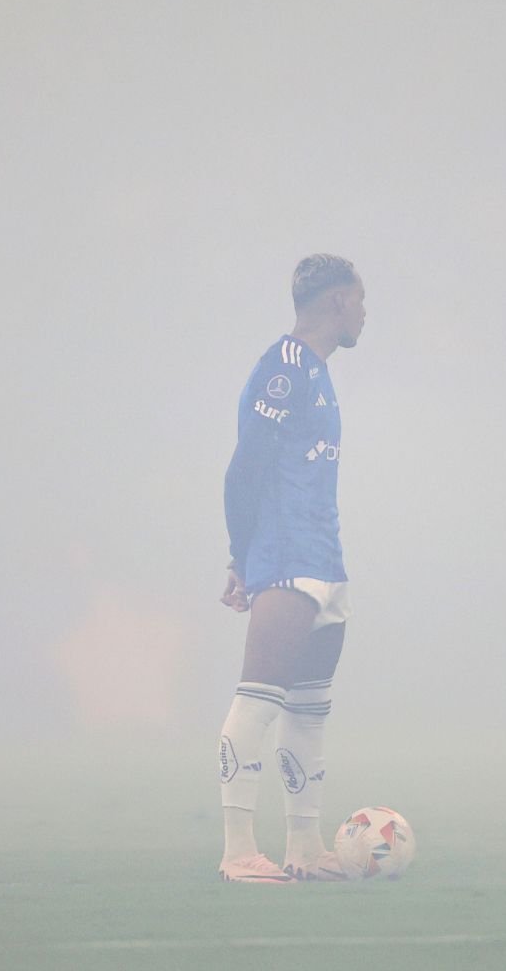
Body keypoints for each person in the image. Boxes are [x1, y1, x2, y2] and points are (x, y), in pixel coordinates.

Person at [215, 255, 366, 883]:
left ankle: (305, 847)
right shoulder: (283, 368)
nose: (364, 313)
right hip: (284, 557)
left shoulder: (322, 376)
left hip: (324, 557)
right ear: (335, 302)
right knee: (259, 699)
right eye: (360, 300)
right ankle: (237, 850)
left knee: (310, 708)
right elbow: (245, 465)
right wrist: (243, 554)